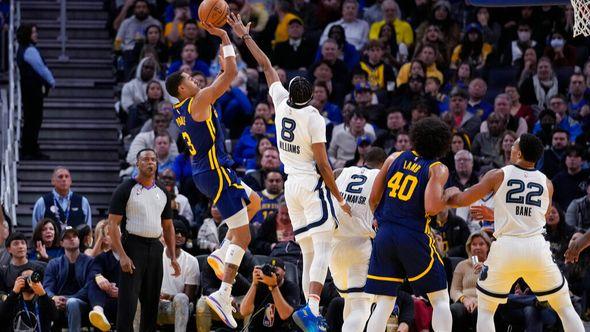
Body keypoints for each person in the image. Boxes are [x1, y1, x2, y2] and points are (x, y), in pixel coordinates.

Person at [229, 13, 352, 331]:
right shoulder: (313, 117)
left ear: (289, 92)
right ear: (311, 97)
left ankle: (308, 309)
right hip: (311, 185)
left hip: (290, 187)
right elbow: (324, 165)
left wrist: (244, 36)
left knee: (309, 247)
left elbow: (267, 65)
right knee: (323, 244)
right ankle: (312, 307)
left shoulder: (280, 104)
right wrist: (339, 197)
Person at [164, 22, 261, 329]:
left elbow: (224, 76)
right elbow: (231, 75)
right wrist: (223, 36)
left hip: (207, 171)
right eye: (190, 79)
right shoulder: (198, 101)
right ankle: (223, 292)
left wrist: (223, 58)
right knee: (244, 236)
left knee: (255, 201)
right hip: (215, 171)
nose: (195, 80)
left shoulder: (183, 107)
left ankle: (221, 254)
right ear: (182, 88)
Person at [445, 133, 584, 332]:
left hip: (506, 248)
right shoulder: (547, 183)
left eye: (513, 146)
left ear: (518, 152)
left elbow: (464, 199)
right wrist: (497, 214)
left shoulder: (498, 174)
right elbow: (539, 217)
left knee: (486, 310)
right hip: (536, 248)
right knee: (565, 307)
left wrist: (449, 193)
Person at [365, 117, 453, 332]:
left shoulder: (393, 157)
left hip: (385, 233)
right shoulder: (437, 168)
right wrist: (448, 195)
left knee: (384, 301)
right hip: (413, 234)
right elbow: (432, 208)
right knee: (440, 297)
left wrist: (379, 217)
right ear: (442, 144)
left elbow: (373, 198)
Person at [107, 149, 181, 332]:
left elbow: (168, 227)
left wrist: (172, 257)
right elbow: (112, 225)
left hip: (156, 248)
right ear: (137, 163)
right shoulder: (125, 189)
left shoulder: (163, 191)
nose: (150, 163)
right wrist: (122, 255)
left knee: (151, 304)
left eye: (153, 160)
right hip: (132, 246)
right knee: (128, 304)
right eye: (146, 159)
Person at [330, 147, 387, 331]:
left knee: (350, 301)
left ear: (363, 160)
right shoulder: (382, 178)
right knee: (362, 308)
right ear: (383, 165)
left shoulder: (341, 172)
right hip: (360, 244)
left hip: (334, 245)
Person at [43, 227, 93, 332]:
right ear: (61, 243)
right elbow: (47, 288)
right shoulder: (54, 264)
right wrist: (54, 298)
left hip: (84, 304)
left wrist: (68, 300)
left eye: (75, 236)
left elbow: (90, 287)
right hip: (59, 304)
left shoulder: (90, 262)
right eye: (67, 237)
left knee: (72, 303)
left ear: (79, 240)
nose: (72, 239)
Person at [16, 23, 55, 160]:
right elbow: (41, 68)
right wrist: (51, 81)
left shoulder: (23, 49)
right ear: (27, 35)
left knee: (31, 119)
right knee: (34, 119)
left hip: (28, 88)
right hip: (32, 89)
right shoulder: (30, 51)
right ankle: (30, 149)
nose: (36, 35)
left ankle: (29, 148)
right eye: (33, 33)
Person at [158, 220, 199, 332]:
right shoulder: (156, 256)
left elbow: (188, 297)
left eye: (183, 234)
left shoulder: (191, 261)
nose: (180, 236)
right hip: (156, 303)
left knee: (181, 298)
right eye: (176, 232)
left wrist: (168, 296)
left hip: (178, 305)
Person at [240, 258, 300, 331]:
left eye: (275, 269)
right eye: (270, 270)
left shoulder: (292, 287)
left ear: (284, 272)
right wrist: (254, 284)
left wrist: (273, 287)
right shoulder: (260, 284)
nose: (272, 273)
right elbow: (244, 311)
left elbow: (285, 315)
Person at [450, 231, 492, 332]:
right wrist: (464, 300)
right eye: (474, 244)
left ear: (487, 247)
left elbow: (497, 288)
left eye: (481, 244)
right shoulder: (461, 265)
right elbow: (454, 289)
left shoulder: (494, 265)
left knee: (480, 311)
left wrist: (485, 270)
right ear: (469, 247)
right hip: (465, 302)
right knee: (454, 310)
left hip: (486, 302)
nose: (477, 247)